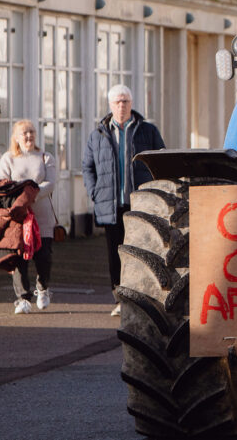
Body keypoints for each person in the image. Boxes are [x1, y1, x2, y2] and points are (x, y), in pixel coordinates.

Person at [83, 85, 166, 316]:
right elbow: (88, 167)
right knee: (115, 253)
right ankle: (119, 299)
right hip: (110, 204)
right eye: (118, 102)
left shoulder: (147, 131)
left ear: (131, 104)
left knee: (141, 253)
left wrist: (155, 192)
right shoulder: (97, 134)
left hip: (140, 204)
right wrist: (94, 192)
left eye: (125, 101)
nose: (122, 106)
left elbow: (161, 161)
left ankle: (141, 299)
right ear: (110, 105)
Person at [0, 119, 57, 314]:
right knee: (19, 257)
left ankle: (43, 288)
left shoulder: (45, 157)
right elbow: (2, 184)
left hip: (42, 215)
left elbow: (51, 183)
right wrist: (20, 199)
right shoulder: (8, 159)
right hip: (19, 217)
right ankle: (22, 298)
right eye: (24, 133)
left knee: (43, 256)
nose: (29, 136)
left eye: (31, 132)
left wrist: (30, 195)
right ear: (16, 137)